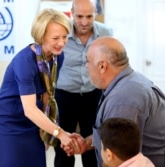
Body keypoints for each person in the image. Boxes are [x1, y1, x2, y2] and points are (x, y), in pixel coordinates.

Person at [63, 36, 165, 167]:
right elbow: (114, 139)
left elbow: (117, 159)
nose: (86, 66)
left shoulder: (124, 100)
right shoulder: (129, 82)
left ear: (102, 66)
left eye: (88, 61)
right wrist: (87, 143)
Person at [0, 8, 78, 167]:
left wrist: (47, 130)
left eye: (65, 37)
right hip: (10, 118)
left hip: (34, 116)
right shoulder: (25, 61)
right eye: (55, 38)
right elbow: (29, 109)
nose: (61, 43)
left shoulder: (58, 56)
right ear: (41, 36)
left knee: (36, 162)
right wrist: (60, 133)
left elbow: (47, 93)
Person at [54, 0, 113, 167]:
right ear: (72, 13)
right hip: (64, 96)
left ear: (96, 14)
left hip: (93, 94)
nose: (84, 22)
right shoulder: (62, 33)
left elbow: (112, 63)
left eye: (89, 16)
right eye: (79, 16)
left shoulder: (106, 33)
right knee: (64, 146)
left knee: (93, 144)